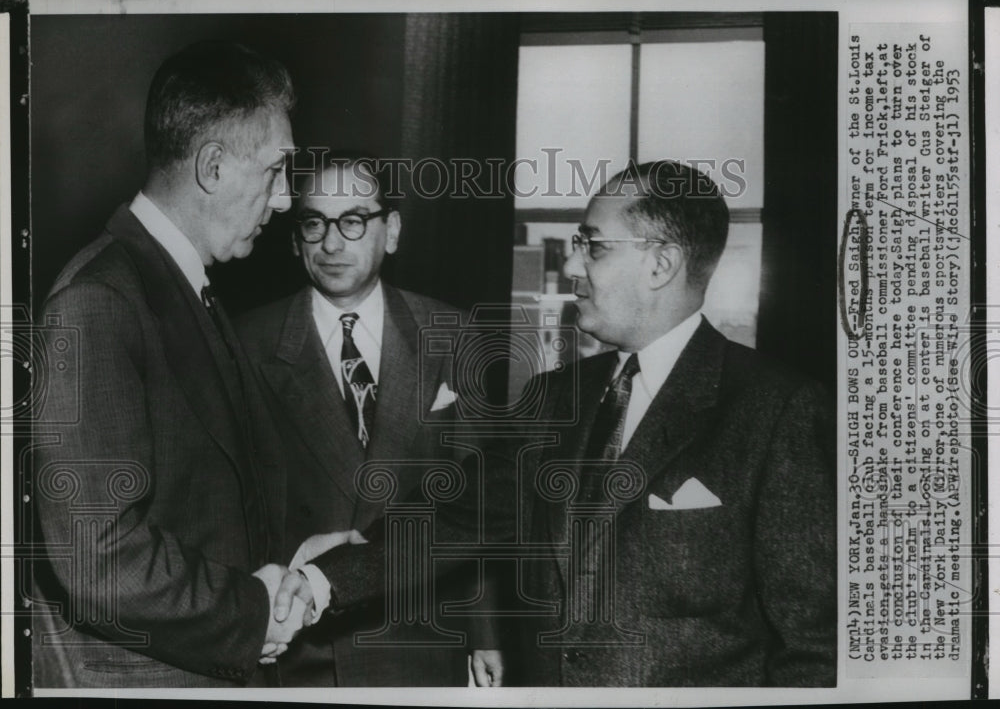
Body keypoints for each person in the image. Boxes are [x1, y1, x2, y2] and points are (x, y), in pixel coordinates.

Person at [277, 159, 836, 687]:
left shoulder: (778, 413)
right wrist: (319, 582)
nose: (572, 266)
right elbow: (454, 520)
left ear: (660, 265)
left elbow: (813, 647)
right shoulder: (552, 398)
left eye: (592, 247)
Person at [31, 40, 312, 688]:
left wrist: (286, 564)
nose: (281, 201)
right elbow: (99, 560)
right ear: (212, 166)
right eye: (275, 172)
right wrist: (253, 607)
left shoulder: (178, 285)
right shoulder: (97, 302)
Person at [236, 157, 503, 687]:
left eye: (354, 220)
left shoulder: (452, 333)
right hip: (300, 645)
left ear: (393, 230)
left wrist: (485, 631)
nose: (332, 244)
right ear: (295, 239)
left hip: (421, 636)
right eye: (314, 223)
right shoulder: (247, 341)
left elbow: (476, 501)